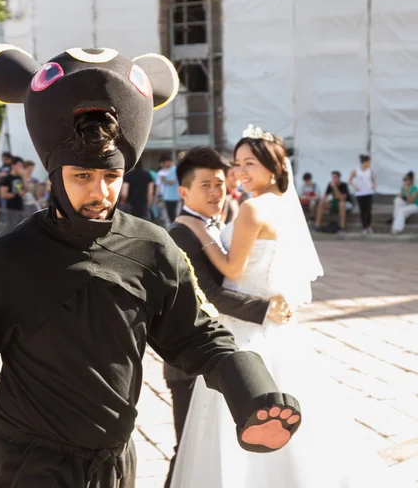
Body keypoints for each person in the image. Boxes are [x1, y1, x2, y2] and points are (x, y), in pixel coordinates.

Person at [0, 46, 303, 488]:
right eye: (82, 176)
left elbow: (200, 335)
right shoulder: (4, 262)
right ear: (55, 175)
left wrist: (253, 393)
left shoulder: (153, 248)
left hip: (114, 468)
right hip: (28, 468)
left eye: (111, 177)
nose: (100, 192)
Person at [170, 125, 385, 488]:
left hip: (245, 328)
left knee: (236, 416)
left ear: (274, 167)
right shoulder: (283, 207)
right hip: (271, 325)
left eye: (248, 164)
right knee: (284, 411)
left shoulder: (252, 208)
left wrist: (205, 234)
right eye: (237, 164)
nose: (239, 173)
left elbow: (233, 271)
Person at [163, 147, 281, 487]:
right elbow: (209, 296)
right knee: (185, 446)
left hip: (222, 351)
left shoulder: (227, 218)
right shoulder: (180, 234)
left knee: (214, 447)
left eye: (219, 183)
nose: (216, 192)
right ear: (184, 191)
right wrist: (264, 307)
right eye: (205, 186)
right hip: (188, 361)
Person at [349, 154, 375, 234]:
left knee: (368, 210)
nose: (369, 164)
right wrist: (355, 186)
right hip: (360, 193)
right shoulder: (356, 170)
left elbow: (373, 180)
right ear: (365, 162)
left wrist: (373, 186)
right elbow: (350, 180)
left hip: (369, 192)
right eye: (368, 162)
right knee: (362, 210)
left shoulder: (370, 170)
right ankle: (364, 227)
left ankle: (369, 225)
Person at [0, 156, 26, 227]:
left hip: (20, 206)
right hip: (11, 208)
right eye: (19, 165)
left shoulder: (20, 177)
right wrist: (16, 194)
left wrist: (24, 176)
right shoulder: (7, 178)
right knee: (12, 228)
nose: (21, 167)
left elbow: (26, 189)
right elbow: (3, 195)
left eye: (22, 166)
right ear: (13, 166)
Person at [157, 155, 180, 223]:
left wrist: (164, 180)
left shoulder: (173, 169)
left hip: (172, 196)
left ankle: (173, 229)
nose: (163, 165)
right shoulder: (172, 169)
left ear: (167, 162)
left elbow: (172, 182)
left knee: (172, 215)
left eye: (163, 163)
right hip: (170, 196)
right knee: (171, 215)